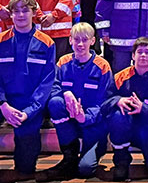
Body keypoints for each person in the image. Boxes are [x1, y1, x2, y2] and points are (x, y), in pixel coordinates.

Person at [0, 0, 56, 178]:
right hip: (2, 103)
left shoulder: (47, 43)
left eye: (25, 10)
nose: (20, 15)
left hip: (30, 106)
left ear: (34, 12)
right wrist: (3, 105)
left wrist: (29, 112)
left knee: (25, 169)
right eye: (16, 11)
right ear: (10, 14)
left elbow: (46, 83)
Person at [40, 23, 114, 180]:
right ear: (70, 40)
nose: (80, 44)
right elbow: (53, 88)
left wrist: (85, 117)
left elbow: (104, 102)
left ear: (93, 41)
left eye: (85, 40)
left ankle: (93, 152)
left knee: (85, 170)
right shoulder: (62, 62)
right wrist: (65, 93)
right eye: (76, 39)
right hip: (70, 123)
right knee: (55, 103)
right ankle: (69, 157)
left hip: (93, 126)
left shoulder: (102, 66)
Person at [106, 38, 148, 180]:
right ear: (133, 55)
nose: (143, 55)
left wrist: (143, 108)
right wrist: (118, 100)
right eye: (139, 52)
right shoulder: (120, 77)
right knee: (117, 116)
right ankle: (121, 162)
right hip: (128, 129)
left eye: (147, 52)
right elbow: (104, 103)